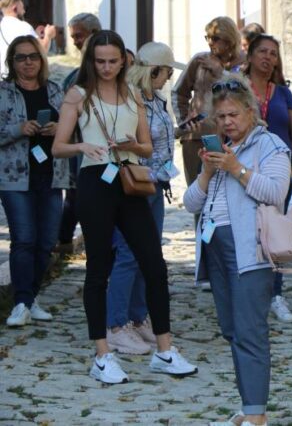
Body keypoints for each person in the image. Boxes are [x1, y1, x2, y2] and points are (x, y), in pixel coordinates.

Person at [52, 30, 197, 383]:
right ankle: (102, 354)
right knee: (99, 267)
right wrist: (82, 147)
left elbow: (147, 146)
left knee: (153, 263)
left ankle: (165, 349)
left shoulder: (133, 94)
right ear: (91, 61)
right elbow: (58, 146)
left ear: (124, 61)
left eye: (112, 61)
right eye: (99, 61)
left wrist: (132, 143)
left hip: (130, 179)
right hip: (94, 181)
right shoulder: (78, 94)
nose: (105, 67)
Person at [183, 74, 290, 426]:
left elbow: (276, 192)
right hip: (215, 247)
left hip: (250, 249)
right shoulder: (219, 149)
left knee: (250, 332)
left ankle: (256, 414)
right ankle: (249, 406)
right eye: (222, 116)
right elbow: (190, 203)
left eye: (234, 115)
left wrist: (237, 169)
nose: (228, 122)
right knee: (232, 330)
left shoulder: (270, 144)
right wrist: (207, 173)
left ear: (250, 112)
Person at [104, 42, 182, 354]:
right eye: (166, 71)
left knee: (147, 256)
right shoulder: (130, 101)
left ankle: (137, 318)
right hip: (133, 186)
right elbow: (123, 143)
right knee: (127, 255)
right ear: (154, 70)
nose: (168, 77)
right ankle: (115, 324)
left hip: (154, 186)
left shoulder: (158, 101)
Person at [1, 35, 69, 326]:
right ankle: (21, 302)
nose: (27, 62)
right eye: (20, 57)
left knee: (46, 242)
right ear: (11, 62)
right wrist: (19, 129)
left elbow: (74, 130)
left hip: (52, 175)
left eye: (33, 56)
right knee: (24, 239)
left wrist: (58, 128)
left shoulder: (55, 91)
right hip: (14, 177)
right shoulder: (3, 92)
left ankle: (30, 298)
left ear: (41, 60)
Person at [243, 34, 292, 323]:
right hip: (243, 170)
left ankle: (276, 294)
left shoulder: (282, 93)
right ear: (251, 56)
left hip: (279, 172)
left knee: (275, 232)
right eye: (262, 52)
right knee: (247, 232)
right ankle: (246, 292)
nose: (268, 57)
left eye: (273, 53)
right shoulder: (238, 89)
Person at [173, 16, 242, 188]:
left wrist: (220, 73)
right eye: (208, 37)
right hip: (195, 138)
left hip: (231, 138)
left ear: (229, 39)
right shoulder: (199, 61)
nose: (210, 42)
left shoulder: (241, 63)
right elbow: (178, 92)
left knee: (225, 193)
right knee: (198, 192)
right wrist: (185, 121)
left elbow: (242, 94)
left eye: (215, 38)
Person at [57, 13, 102, 253]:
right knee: (76, 194)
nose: (75, 41)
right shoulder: (73, 77)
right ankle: (64, 239)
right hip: (78, 148)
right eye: (73, 36)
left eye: (79, 36)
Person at [0, 0, 56, 73]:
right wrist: (48, 35)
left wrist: (35, 34)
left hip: (3, 77)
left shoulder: (2, 25)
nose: (24, 11)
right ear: (15, 8)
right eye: (22, 8)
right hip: (20, 78)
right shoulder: (22, 26)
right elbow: (42, 49)